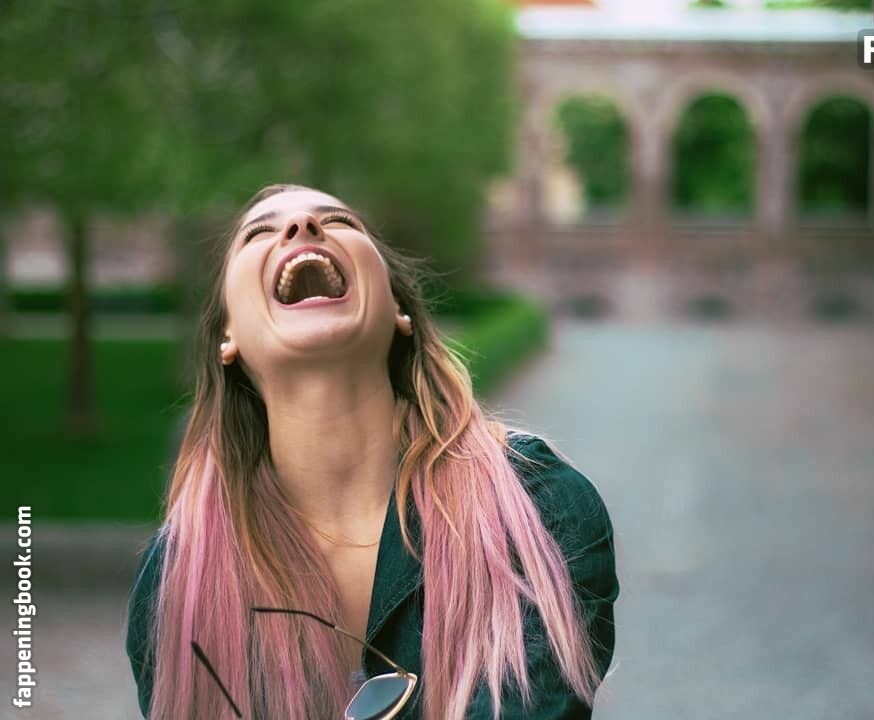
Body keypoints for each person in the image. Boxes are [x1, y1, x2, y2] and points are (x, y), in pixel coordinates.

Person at [122, 183, 619, 719]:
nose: (302, 227)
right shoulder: (176, 581)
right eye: (260, 233)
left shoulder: (538, 508)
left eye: (338, 221)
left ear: (400, 309)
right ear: (228, 336)